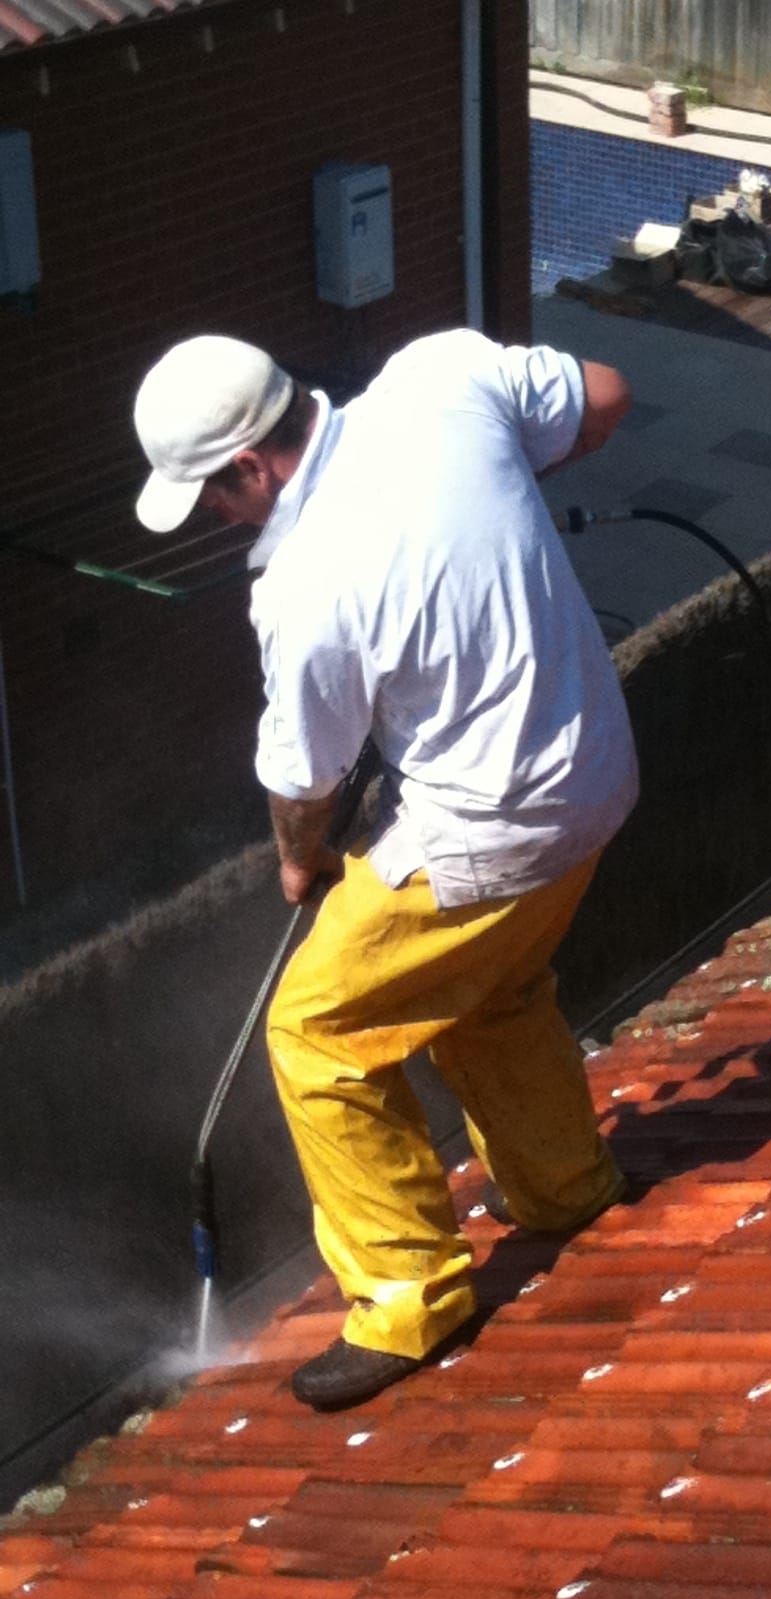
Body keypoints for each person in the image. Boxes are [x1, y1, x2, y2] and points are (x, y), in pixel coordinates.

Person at [132, 329, 639, 1410]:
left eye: (212, 495)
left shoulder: (303, 585)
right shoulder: (440, 377)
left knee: (317, 1032)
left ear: (249, 466)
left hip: (497, 827)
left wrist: (299, 865)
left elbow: (304, 778)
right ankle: (562, 1185)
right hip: (599, 776)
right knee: (488, 984)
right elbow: (604, 396)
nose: (217, 516)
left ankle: (410, 1297)